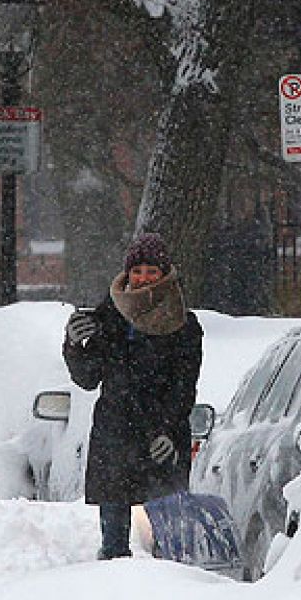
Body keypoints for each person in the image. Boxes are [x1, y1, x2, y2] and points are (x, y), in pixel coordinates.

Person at [64, 232, 203, 560]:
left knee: (168, 538)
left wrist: (168, 430)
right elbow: (87, 377)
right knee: (114, 541)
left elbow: (184, 387)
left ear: (164, 274)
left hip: (159, 434)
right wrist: (73, 344)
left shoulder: (183, 324)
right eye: (137, 271)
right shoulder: (108, 317)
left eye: (152, 271)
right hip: (116, 434)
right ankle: (114, 586)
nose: (143, 278)